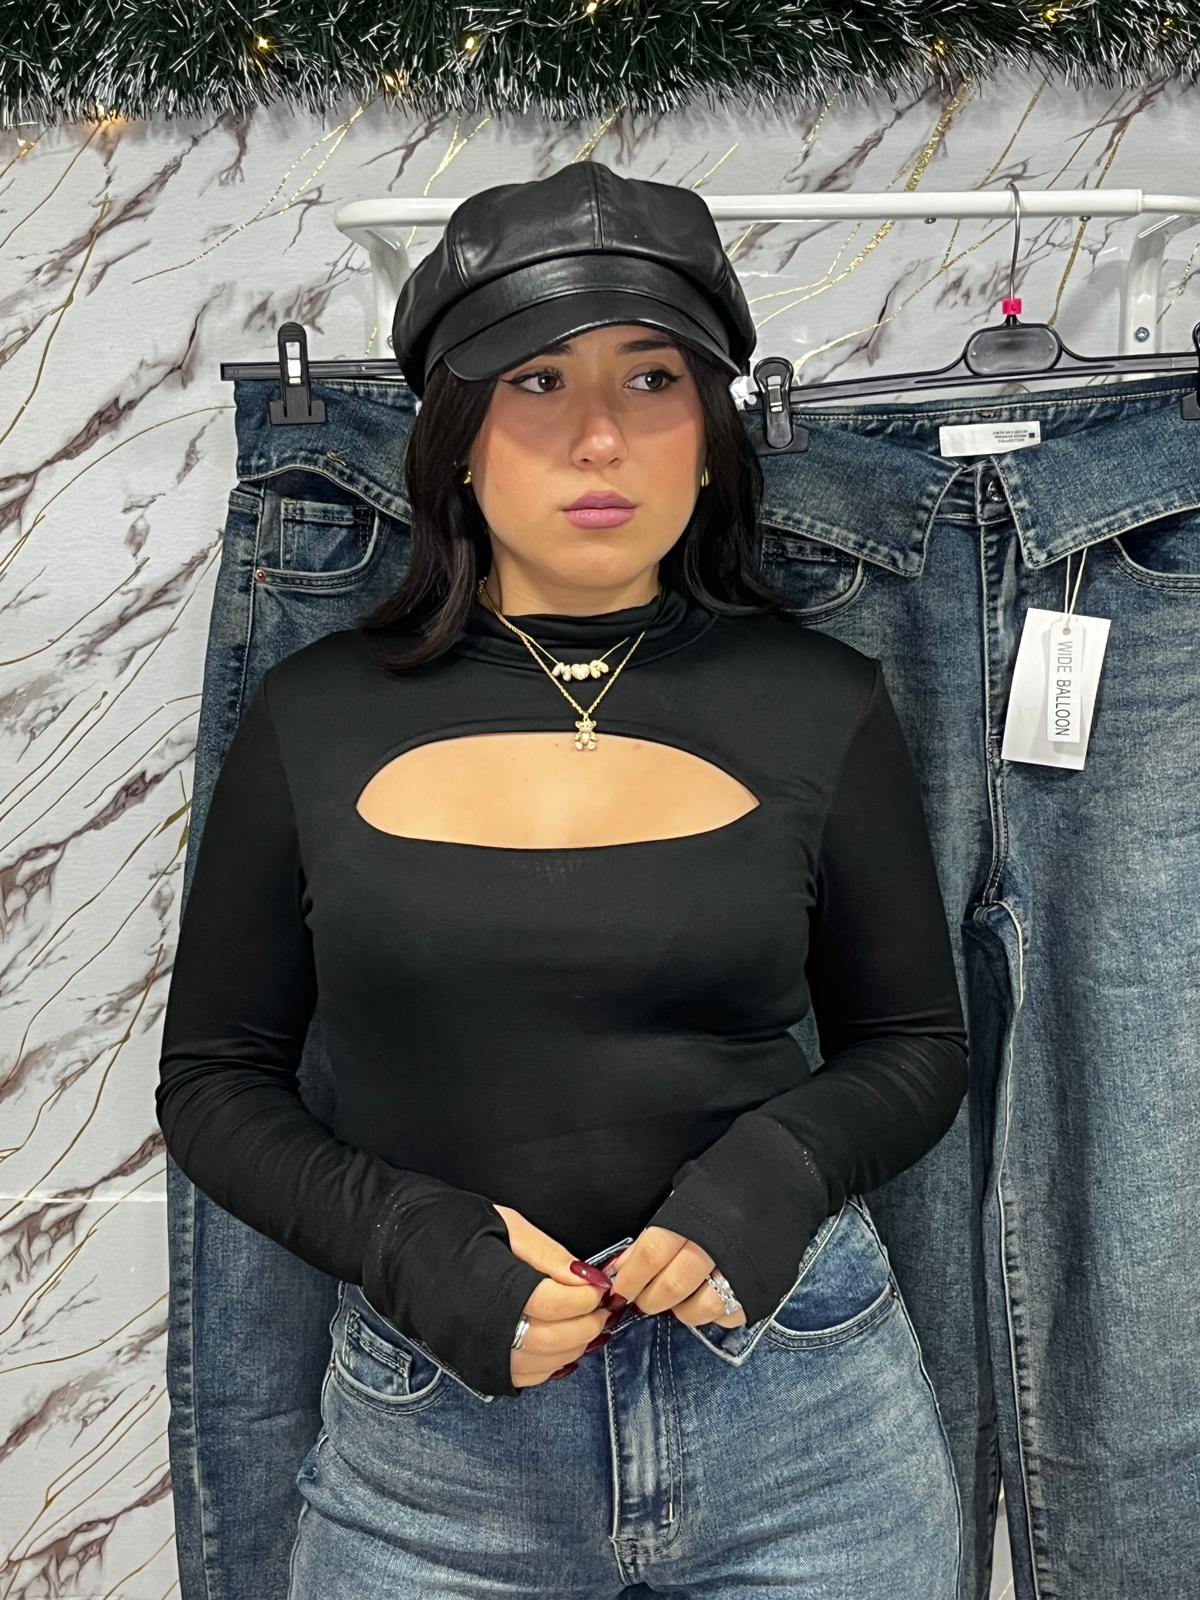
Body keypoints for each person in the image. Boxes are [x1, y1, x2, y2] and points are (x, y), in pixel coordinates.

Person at [157, 160, 969, 1596]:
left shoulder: (823, 701)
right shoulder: (314, 716)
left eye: (653, 379)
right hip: (437, 1459)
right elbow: (214, 1081)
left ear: (712, 437)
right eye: (537, 381)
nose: (601, 436)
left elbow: (914, 1045)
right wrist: (403, 1239)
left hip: (805, 1429)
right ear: (455, 440)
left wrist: (777, 1177)